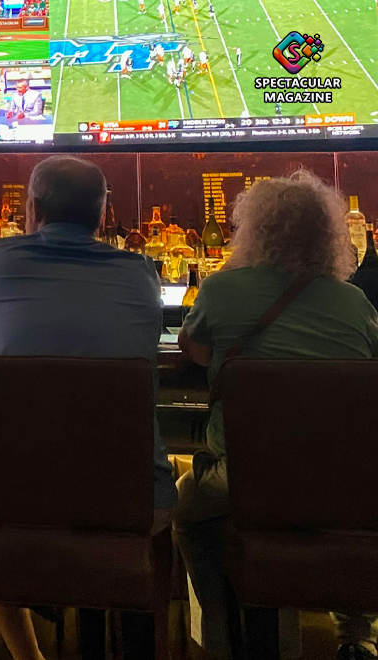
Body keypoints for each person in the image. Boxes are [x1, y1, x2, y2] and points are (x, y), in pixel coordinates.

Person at [0, 155, 177, 660]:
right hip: (133, 502)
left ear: (31, 208)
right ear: (102, 216)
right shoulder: (141, 271)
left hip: (17, 499)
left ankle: (30, 656)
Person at [175, 170, 378, 660]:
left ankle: (222, 635)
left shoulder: (222, 290)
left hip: (243, 478)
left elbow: (194, 350)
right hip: (342, 482)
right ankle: (356, 638)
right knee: (350, 504)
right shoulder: (354, 302)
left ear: (253, 231)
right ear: (329, 238)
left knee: (184, 506)